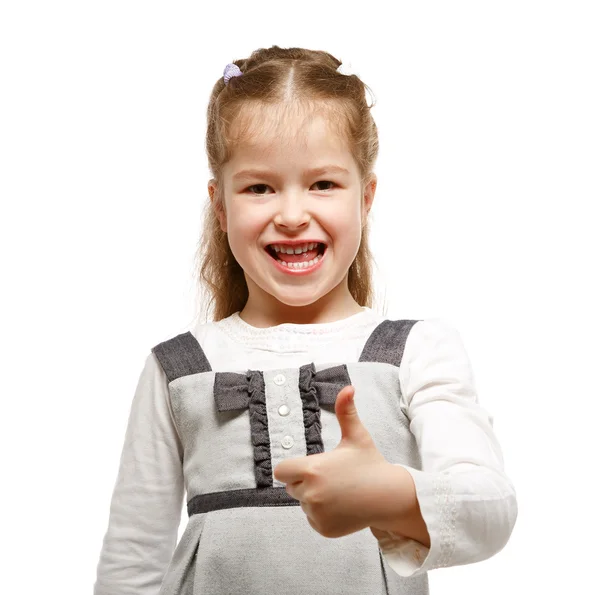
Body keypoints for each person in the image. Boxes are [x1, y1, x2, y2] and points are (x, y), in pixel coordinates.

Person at [93, 45, 518, 595]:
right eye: (259, 188)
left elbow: (490, 508)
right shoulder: (176, 368)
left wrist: (384, 492)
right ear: (220, 206)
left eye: (322, 184)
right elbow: (132, 562)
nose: (292, 216)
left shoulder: (416, 351)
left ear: (365, 198)